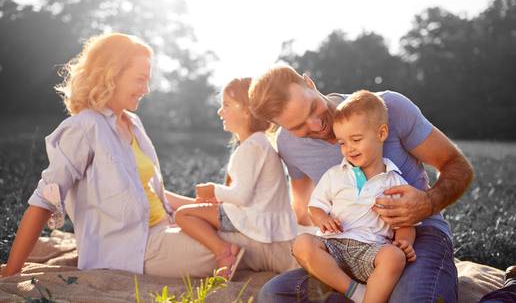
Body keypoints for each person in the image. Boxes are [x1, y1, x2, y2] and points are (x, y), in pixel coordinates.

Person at [0, 34, 297, 279]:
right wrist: (12, 272)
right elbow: (43, 201)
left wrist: (203, 206)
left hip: (163, 228)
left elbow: (150, 194)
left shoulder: (133, 124)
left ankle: (318, 251)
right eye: (140, 79)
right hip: (134, 248)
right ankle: (314, 258)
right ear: (111, 76)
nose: (147, 89)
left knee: (246, 231)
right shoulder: (83, 128)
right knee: (245, 244)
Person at [248, 65, 474, 302]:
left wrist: (428, 202)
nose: (316, 126)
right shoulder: (288, 145)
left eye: (313, 108)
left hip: (416, 236)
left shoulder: (388, 108)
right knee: (274, 294)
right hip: (346, 248)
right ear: (278, 126)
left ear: (310, 83)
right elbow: (303, 210)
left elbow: (457, 165)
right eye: (298, 127)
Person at [292, 90, 416, 303]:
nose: (348, 148)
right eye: (342, 143)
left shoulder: (394, 181)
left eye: (356, 139)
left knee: (394, 257)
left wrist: (404, 242)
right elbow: (315, 207)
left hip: (371, 250)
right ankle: (356, 293)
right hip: (333, 247)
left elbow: (406, 222)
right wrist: (323, 219)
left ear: (381, 133)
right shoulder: (335, 175)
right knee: (301, 243)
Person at [175, 78, 297, 280]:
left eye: (227, 105)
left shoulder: (251, 148)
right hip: (261, 216)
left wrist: (213, 190)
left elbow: (242, 196)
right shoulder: (259, 143)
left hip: (250, 218)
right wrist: (220, 198)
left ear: (247, 110)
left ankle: (224, 251)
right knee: (198, 211)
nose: (220, 111)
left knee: (182, 215)